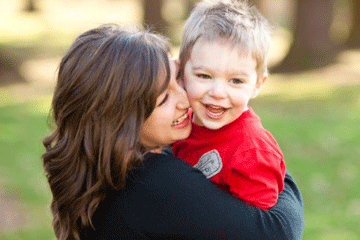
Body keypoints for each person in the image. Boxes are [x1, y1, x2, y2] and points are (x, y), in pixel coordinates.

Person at [42, 24, 304, 240]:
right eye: (164, 99)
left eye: (178, 79)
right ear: (122, 119)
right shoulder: (154, 181)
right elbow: (279, 233)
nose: (186, 99)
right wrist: (262, 151)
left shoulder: (101, 171)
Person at [173, 0, 285, 210]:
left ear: (257, 85)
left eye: (235, 81)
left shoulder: (253, 151)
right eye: (204, 76)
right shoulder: (175, 123)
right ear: (181, 74)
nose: (217, 93)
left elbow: (260, 230)